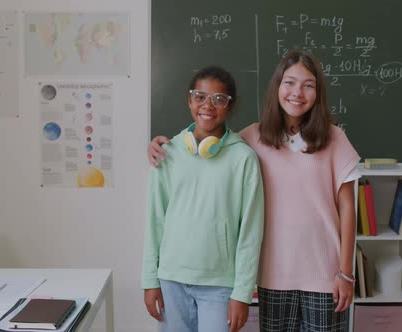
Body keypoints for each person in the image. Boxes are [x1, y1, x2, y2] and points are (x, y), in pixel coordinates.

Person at [148, 50, 360, 332]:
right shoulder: (252, 138)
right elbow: (211, 138)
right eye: (290, 82)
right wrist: (162, 144)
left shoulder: (335, 138)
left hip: (324, 276)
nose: (297, 92)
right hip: (274, 276)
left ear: (318, 93)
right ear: (277, 87)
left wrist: (346, 273)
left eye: (308, 85)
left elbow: (347, 208)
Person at [141, 65, 265, 332]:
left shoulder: (244, 159)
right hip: (171, 280)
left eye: (218, 99)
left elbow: (250, 232)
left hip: (220, 285)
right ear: (189, 100)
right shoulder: (167, 153)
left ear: (230, 107)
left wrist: (242, 292)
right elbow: (155, 221)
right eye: (200, 96)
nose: (208, 106)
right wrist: (150, 279)